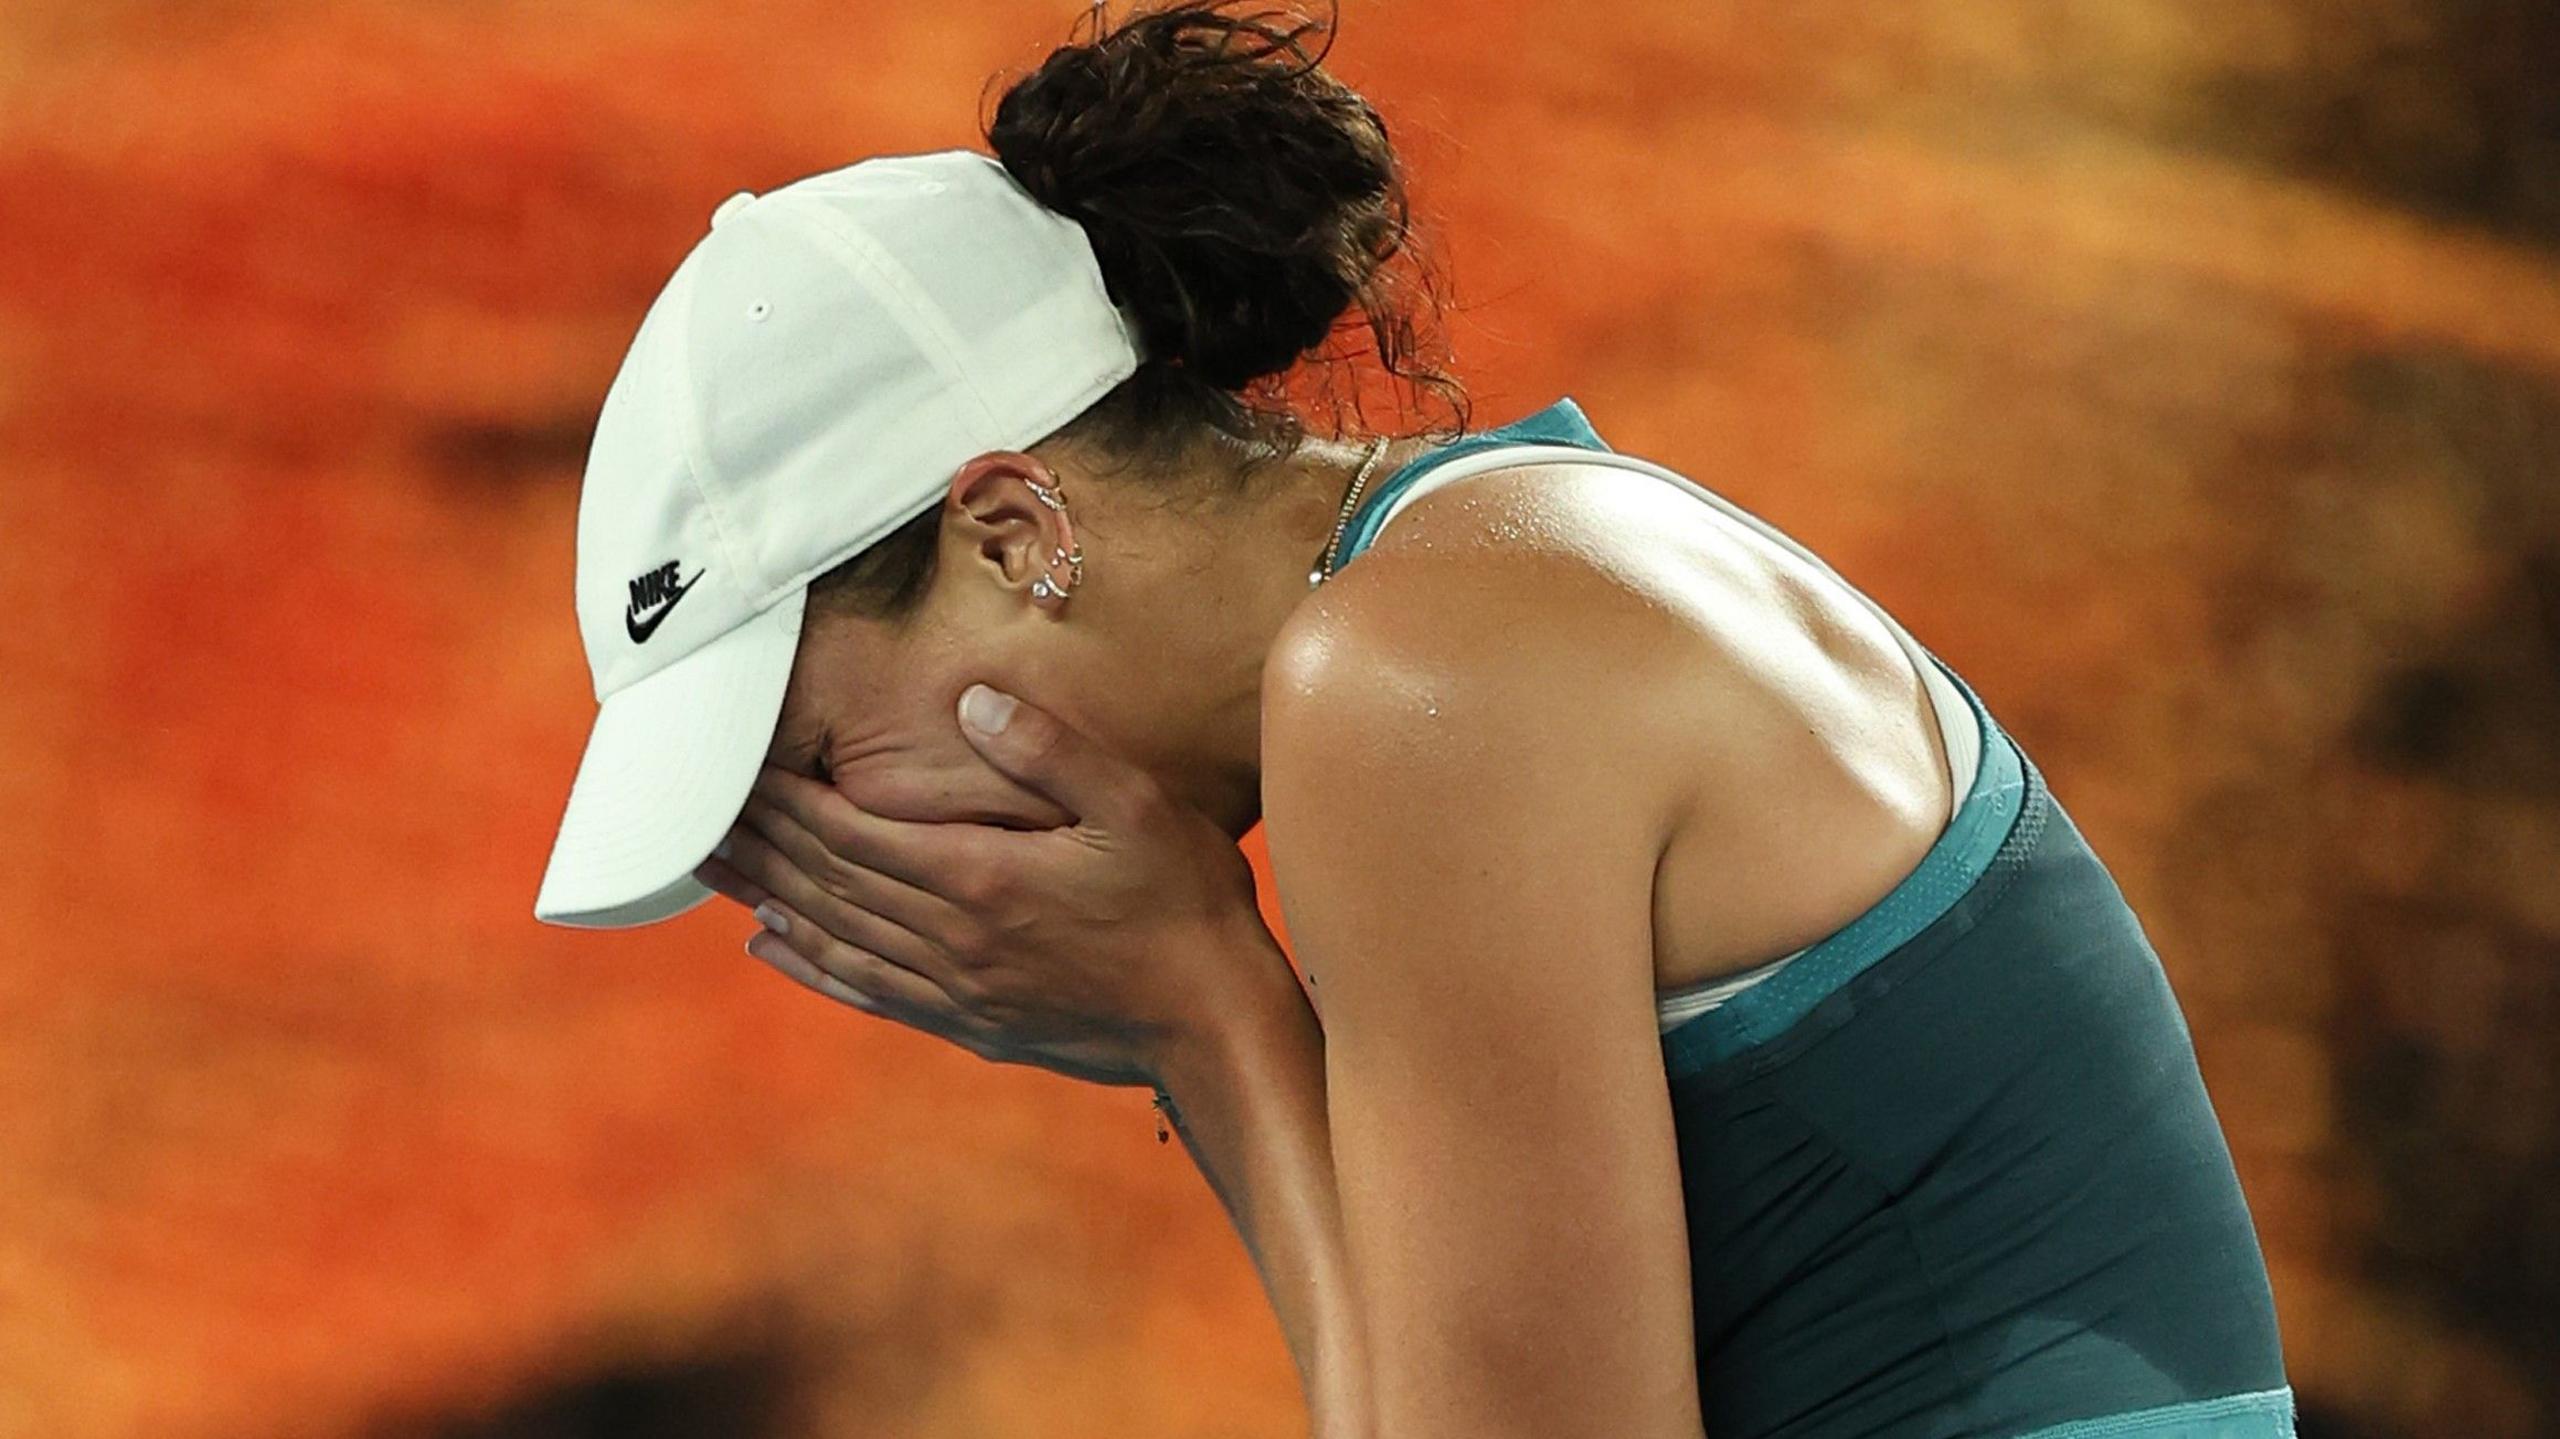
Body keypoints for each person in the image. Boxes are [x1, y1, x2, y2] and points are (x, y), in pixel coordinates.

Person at [532, 4, 2294, 1435]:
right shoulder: (1488, 575)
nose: (859, 854)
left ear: (1015, 534)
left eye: (828, 767)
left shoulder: (1414, 681)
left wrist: (1206, 1013)